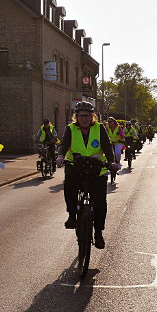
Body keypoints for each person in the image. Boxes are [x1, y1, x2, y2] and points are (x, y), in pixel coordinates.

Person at [56, 101, 118, 250]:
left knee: (100, 202)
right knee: (69, 187)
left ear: (92, 117)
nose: (84, 119)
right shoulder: (71, 129)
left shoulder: (99, 128)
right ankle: (72, 215)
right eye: (81, 116)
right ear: (76, 117)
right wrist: (60, 156)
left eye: (87, 116)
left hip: (97, 169)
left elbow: (107, 146)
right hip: (76, 167)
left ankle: (98, 233)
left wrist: (111, 161)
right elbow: (64, 144)